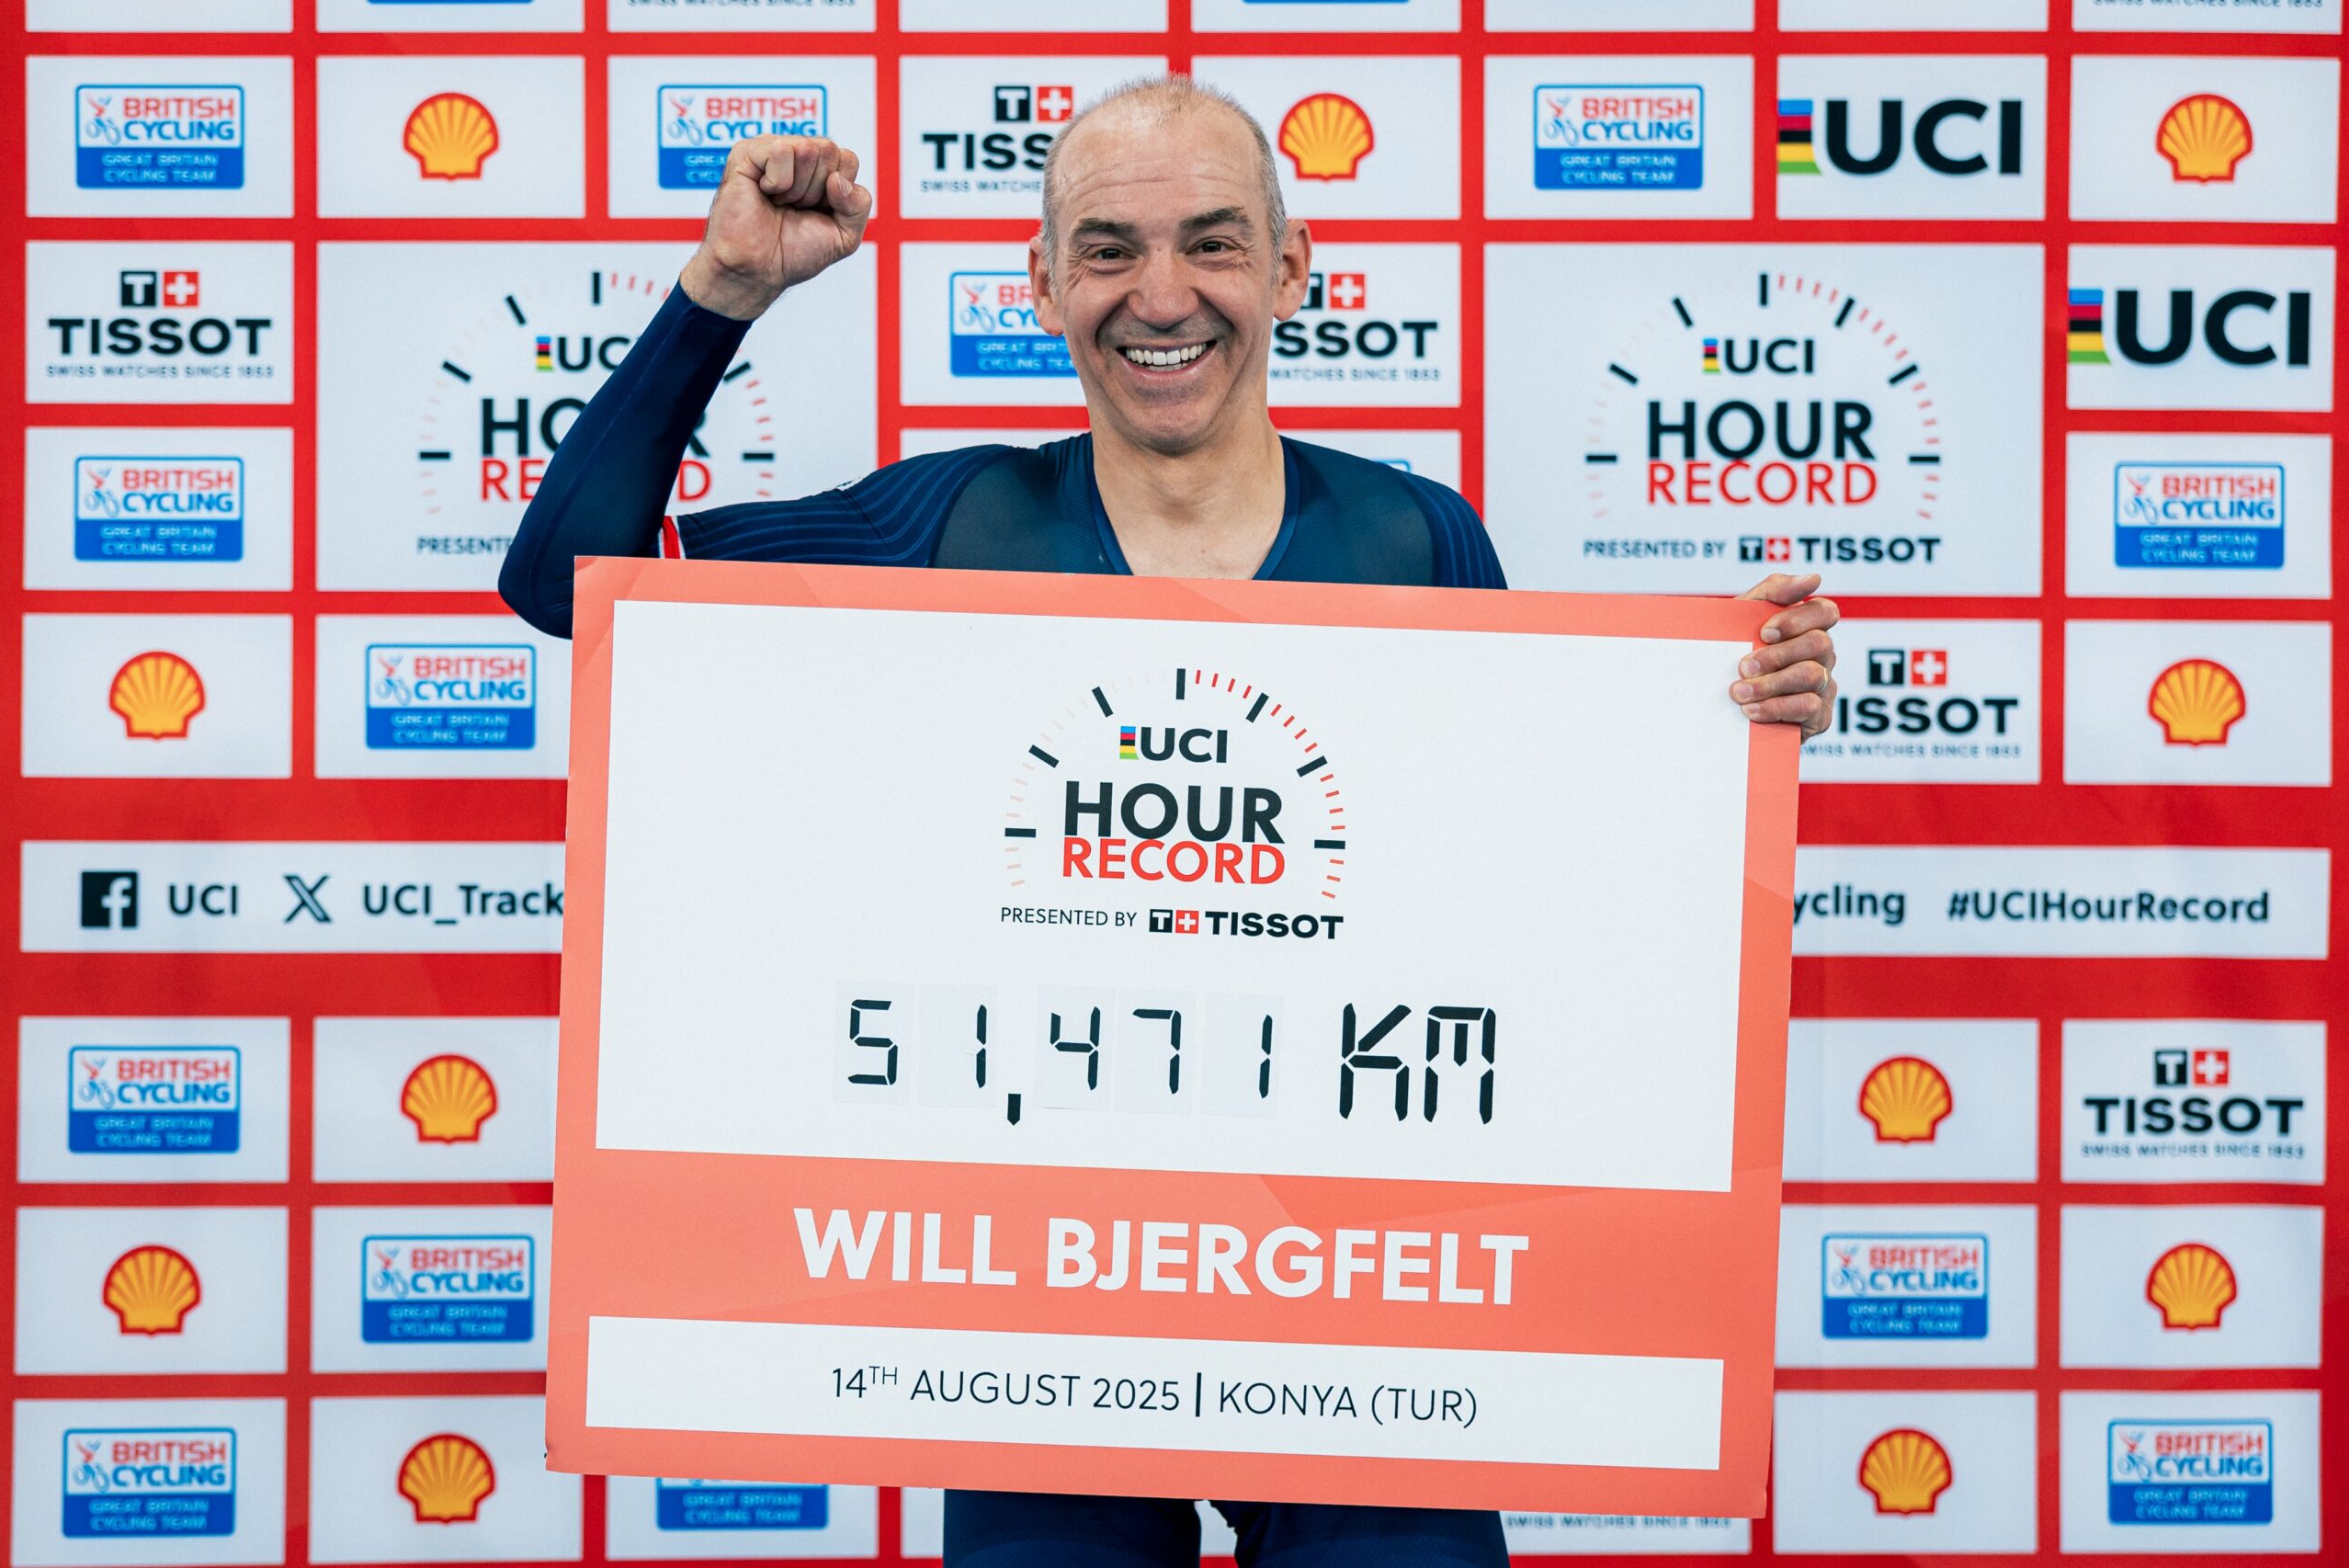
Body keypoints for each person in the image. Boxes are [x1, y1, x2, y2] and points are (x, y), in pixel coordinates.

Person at [503, 74, 1837, 1568]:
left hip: (1365, 1312)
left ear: (1291, 266)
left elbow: (1529, 906)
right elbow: (566, 579)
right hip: (1035, 1315)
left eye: (1212, 242)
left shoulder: (1418, 539)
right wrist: (726, 287)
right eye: (1108, 249)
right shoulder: (945, 530)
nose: (1161, 296)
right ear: (1041, 283)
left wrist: (1726, 740)